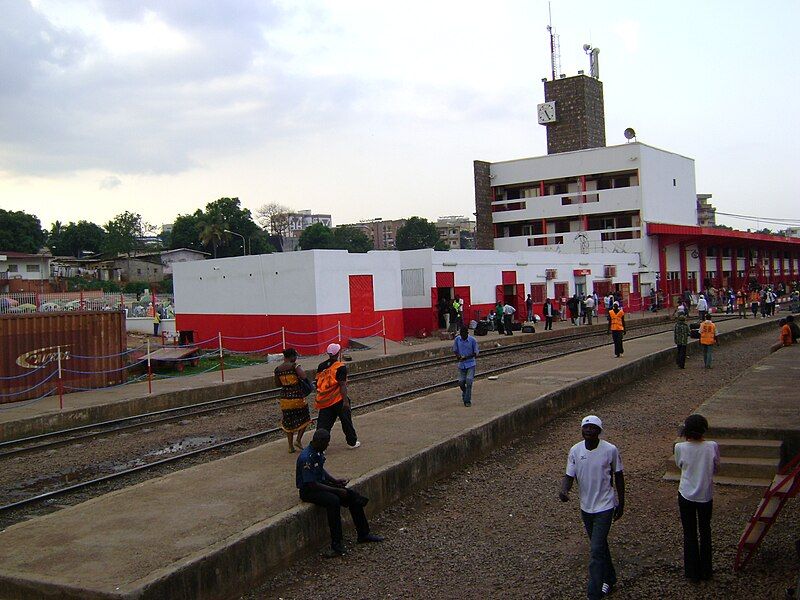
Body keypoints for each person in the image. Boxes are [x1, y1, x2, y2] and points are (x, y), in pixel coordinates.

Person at [559, 415, 625, 600]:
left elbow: (618, 476)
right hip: (586, 506)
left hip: (605, 505)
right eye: (586, 428)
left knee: (596, 550)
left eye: (593, 428)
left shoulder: (610, 450)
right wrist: (564, 490)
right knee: (600, 544)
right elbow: (569, 475)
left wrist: (621, 502)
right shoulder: (575, 450)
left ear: (599, 431)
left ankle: (593, 593)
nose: (588, 431)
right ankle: (610, 578)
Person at [296, 429, 383, 557]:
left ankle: (363, 533)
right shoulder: (306, 457)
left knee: (351, 495)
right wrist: (336, 490)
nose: (328, 445)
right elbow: (312, 484)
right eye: (327, 443)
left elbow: (320, 471)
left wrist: (335, 481)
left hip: (319, 485)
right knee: (333, 501)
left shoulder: (316, 452)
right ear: (319, 441)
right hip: (309, 491)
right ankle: (336, 544)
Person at [674, 414, 719, 583]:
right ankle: (706, 570)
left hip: (685, 493)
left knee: (689, 532)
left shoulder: (680, 447)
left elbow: (680, 465)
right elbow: (716, 467)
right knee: (705, 530)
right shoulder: (712, 446)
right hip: (705, 495)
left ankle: (692, 571)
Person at [315, 343, 360, 448]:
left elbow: (318, 382)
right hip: (338, 399)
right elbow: (342, 385)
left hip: (325, 400)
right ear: (338, 353)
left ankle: (320, 446)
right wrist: (345, 401)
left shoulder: (321, 366)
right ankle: (352, 442)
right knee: (346, 422)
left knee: (323, 424)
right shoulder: (340, 367)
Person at [274, 348, 312, 453]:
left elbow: (277, 384)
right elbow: (304, 376)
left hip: (285, 399)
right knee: (305, 418)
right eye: (295, 356)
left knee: (288, 422)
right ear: (291, 357)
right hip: (297, 397)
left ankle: (290, 446)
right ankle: (298, 440)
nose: (296, 358)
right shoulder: (295, 366)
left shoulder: (278, 369)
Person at [452, 325, 479, 407]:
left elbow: (476, 353)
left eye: (464, 334)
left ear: (467, 333)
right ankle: (465, 392)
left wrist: (466, 357)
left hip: (470, 363)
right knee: (461, 382)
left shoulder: (473, 340)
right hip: (461, 365)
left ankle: (467, 400)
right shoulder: (457, 340)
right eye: (461, 334)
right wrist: (458, 357)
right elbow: (455, 350)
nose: (463, 336)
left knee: (469, 381)